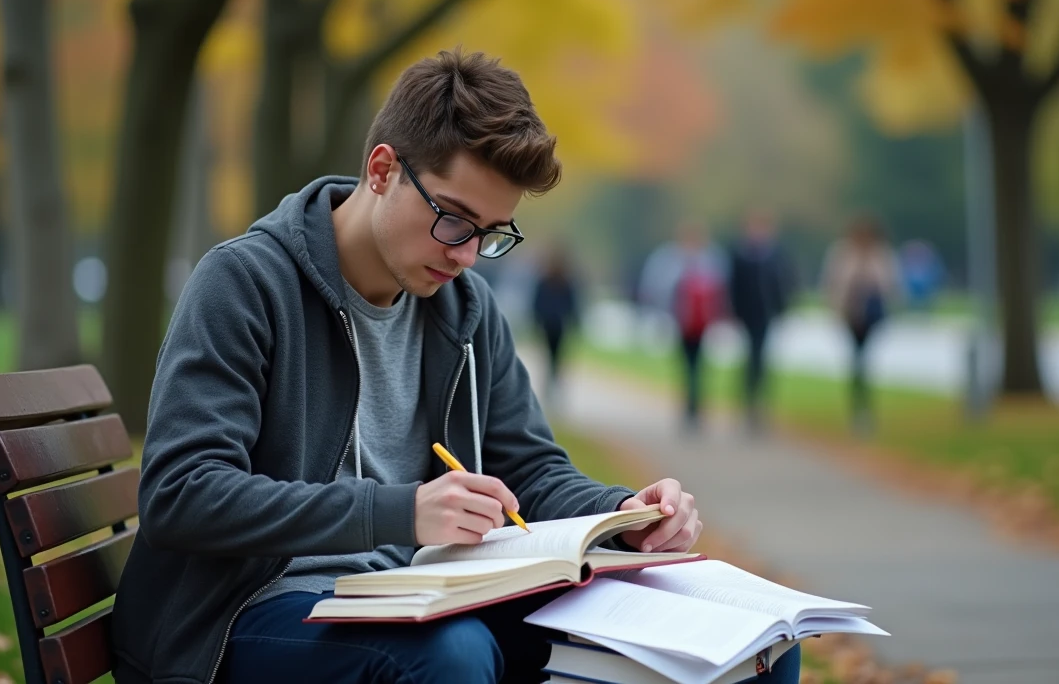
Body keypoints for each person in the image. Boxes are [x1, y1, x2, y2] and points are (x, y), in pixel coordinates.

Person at [111, 49, 802, 684]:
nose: (467, 255)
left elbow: (530, 469)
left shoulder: (464, 308)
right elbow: (182, 492)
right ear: (381, 170)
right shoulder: (245, 283)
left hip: (426, 594)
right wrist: (399, 511)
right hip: (245, 614)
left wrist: (621, 512)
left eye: (491, 234)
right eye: (454, 219)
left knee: (746, 640)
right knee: (453, 654)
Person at [638, 221, 728, 434]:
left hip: (702, 323)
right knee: (688, 365)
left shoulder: (711, 259)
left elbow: (721, 290)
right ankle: (691, 406)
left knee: (697, 365)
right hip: (682, 321)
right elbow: (657, 287)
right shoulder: (670, 259)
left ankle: (693, 406)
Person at [821, 215, 901, 437]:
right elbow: (833, 284)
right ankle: (859, 408)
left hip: (872, 316)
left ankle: (864, 408)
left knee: (863, 361)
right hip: (851, 315)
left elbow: (890, 285)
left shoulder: (881, 254)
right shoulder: (843, 253)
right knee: (858, 361)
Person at [728, 210, 795, 434]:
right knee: (753, 357)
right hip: (748, 314)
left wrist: (782, 308)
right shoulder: (741, 255)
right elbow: (734, 286)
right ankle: (749, 402)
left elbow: (784, 283)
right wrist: (735, 312)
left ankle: (759, 403)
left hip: (767, 314)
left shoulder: (775, 255)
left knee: (761, 358)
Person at [530, 243, 580, 407]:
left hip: (556, 325)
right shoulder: (548, 280)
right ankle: (550, 388)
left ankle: (552, 388)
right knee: (552, 358)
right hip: (551, 324)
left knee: (554, 358)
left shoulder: (563, 282)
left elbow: (571, 304)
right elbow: (538, 303)